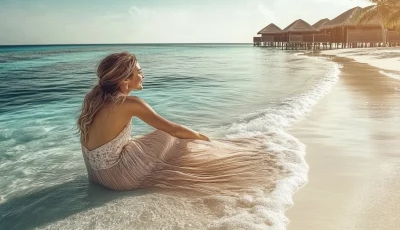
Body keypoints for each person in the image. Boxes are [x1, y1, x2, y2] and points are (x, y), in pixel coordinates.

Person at [77, 52, 279, 193]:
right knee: (169, 136)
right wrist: (201, 137)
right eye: (138, 71)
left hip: (95, 176)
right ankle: (213, 157)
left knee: (148, 140)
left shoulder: (92, 98)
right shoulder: (130, 103)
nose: (143, 74)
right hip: (119, 178)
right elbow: (173, 129)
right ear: (125, 81)